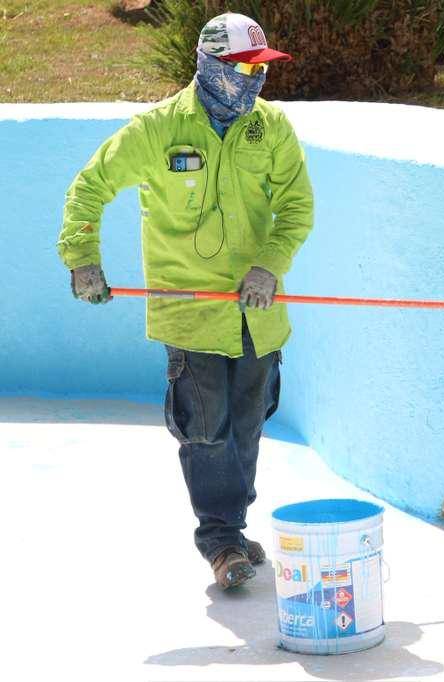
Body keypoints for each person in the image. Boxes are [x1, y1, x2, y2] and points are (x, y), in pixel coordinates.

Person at [57, 13, 314, 589]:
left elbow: (297, 206)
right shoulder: (156, 130)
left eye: (261, 69)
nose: (254, 80)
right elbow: (90, 187)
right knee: (205, 429)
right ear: (208, 65)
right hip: (190, 313)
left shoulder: (270, 127)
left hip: (257, 312)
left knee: (247, 424)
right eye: (242, 69)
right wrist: (82, 256)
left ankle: (232, 524)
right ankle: (220, 540)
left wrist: (269, 265)